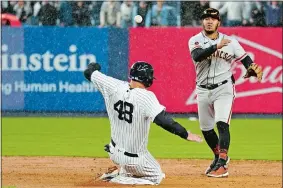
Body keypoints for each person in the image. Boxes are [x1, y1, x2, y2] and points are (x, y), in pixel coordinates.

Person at [83, 61, 203, 185]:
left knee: (132, 165)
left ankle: (123, 173)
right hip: (135, 159)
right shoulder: (146, 97)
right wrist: (185, 134)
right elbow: (163, 120)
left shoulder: (113, 85)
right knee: (157, 176)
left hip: (113, 151)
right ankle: (117, 179)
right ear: (147, 78)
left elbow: (89, 73)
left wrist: (94, 67)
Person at [188, 8, 263, 178]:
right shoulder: (195, 40)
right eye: (206, 18)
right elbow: (198, 56)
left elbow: (246, 59)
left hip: (224, 87)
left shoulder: (231, 42)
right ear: (202, 21)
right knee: (206, 129)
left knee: (222, 123)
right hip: (202, 89)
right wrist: (216, 46)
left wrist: (250, 68)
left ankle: (222, 164)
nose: (209, 21)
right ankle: (218, 157)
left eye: (213, 19)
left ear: (218, 23)